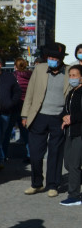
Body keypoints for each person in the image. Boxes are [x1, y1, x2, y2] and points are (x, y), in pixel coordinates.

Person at [22, 43, 71, 197]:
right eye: (50, 57)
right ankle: (36, 183)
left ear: (61, 59)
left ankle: (53, 185)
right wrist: (25, 115)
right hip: (39, 116)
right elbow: (30, 92)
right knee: (35, 154)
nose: (52, 60)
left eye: (55, 58)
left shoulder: (69, 72)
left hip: (59, 117)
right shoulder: (39, 69)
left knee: (55, 153)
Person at [60, 65, 82, 205]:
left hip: (79, 132)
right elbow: (65, 109)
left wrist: (72, 118)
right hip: (69, 132)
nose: (72, 78)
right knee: (68, 163)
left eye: (75, 75)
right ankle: (76, 181)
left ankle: (74, 196)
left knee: (74, 164)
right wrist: (64, 117)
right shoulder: (71, 92)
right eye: (70, 75)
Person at [13, 58, 33, 163]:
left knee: (6, 132)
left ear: (15, 66)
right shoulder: (31, 75)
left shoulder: (14, 76)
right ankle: (30, 154)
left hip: (16, 104)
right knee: (26, 132)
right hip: (28, 105)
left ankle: (2, 156)